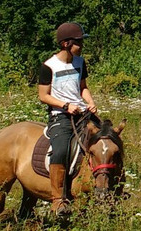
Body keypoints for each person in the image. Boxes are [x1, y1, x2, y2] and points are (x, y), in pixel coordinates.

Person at [37, 22, 97, 215]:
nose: (82, 45)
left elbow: (83, 87)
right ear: (66, 43)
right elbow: (43, 96)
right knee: (61, 149)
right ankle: (58, 199)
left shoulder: (80, 62)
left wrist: (90, 101)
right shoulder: (48, 66)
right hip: (60, 116)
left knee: (106, 139)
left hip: (82, 112)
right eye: (79, 41)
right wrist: (65, 106)